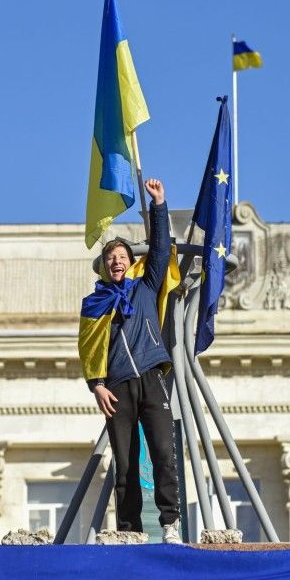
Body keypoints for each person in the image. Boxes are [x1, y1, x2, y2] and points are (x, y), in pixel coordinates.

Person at [78, 178, 182, 544]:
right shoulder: (94, 304)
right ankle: (130, 530)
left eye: (122, 258)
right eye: (111, 259)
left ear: (130, 263)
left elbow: (158, 252)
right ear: (104, 267)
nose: (117, 262)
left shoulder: (145, 287)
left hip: (151, 379)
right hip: (118, 387)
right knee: (125, 463)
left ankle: (170, 522)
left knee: (163, 453)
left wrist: (159, 205)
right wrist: (97, 385)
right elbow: (88, 347)